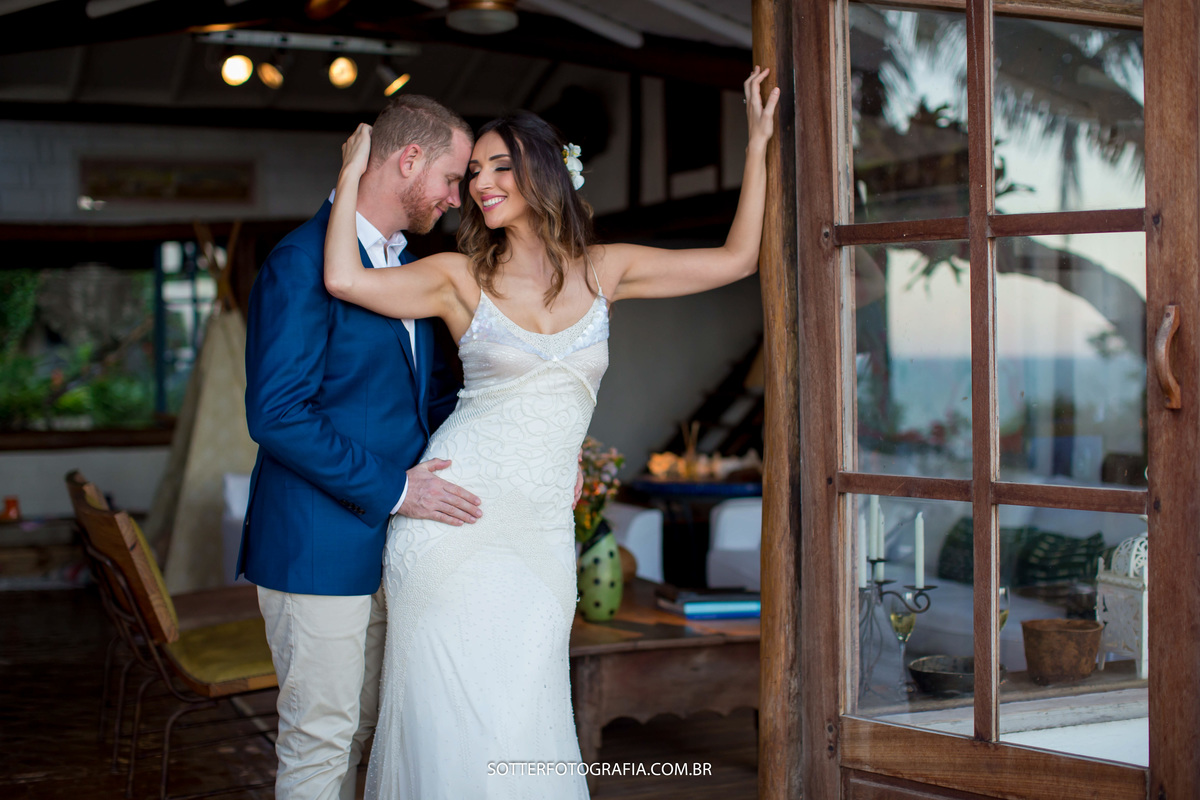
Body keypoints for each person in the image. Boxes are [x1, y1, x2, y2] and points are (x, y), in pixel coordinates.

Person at [324, 67, 779, 799]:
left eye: (500, 166)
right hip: (455, 521)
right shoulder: (456, 275)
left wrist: (757, 143)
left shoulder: (606, 270)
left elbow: (738, 260)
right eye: (473, 172)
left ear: (545, 170)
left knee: (525, 709)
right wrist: (350, 173)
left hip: (538, 533)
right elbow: (345, 280)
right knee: (445, 717)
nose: (481, 183)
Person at [237, 94, 486, 800]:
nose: (454, 197)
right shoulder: (300, 262)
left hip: (393, 548)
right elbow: (277, 414)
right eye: (450, 177)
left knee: (372, 734)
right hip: (317, 546)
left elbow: (432, 401)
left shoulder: (406, 269)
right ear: (409, 160)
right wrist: (401, 489)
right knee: (321, 740)